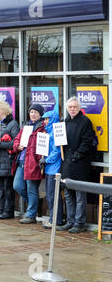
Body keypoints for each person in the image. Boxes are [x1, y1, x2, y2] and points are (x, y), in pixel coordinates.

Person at [58, 97, 96, 233]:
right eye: (70, 107)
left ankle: (79, 223)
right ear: (67, 109)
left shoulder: (85, 121)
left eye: (75, 107)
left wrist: (77, 155)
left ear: (79, 108)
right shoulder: (64, 122)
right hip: (66, 162)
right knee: (68, 194)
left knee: (80, 195)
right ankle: (70, 221)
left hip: (80, 163)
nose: (72, 109)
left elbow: (87, 142)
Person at [12, 104, 46, 224]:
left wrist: (39, 160)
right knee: (17, 186)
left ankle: (31, 215)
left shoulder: (42, 127)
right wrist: (17, 146)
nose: (33, 114)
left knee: (32, 190)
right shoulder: (26, 126)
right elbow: (16, 139)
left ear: (41, 114)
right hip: (21, 161)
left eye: (36, 112)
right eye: (31, 112)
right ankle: (35, 204)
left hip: (33, 163)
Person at [0, 100, 20, 219]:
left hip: (7, 160)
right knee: (0, 188)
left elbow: (15, 143)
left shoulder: (12, 124)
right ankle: (1, 209)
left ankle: (8, 210)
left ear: (3, 110)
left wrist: (0, 145)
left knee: (8, 188)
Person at [40, 110, 64, 229]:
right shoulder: (49, 132)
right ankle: (54, 219)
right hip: (50, 167)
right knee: (51, 195)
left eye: (47, 119)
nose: (45, 121)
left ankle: (55, 220)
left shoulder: (54, 133)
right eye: (44, 119)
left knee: (52, 195)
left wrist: (46, 160)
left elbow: (57, 151)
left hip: (54, 168)